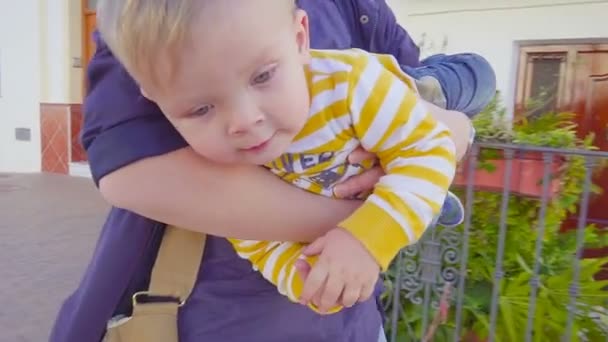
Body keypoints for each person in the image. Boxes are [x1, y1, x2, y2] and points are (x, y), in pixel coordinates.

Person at [50, 1, 495, 341]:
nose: (244, 121)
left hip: (353, 325)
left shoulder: (351, 81)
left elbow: (428, 144)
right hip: (219, 321)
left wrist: (448, 131)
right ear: (152, 97)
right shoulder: (155, 19)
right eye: (201, 108)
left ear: (301, 38)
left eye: (263, 77)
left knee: (470, 77)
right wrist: (319, 269)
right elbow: (132, 173)